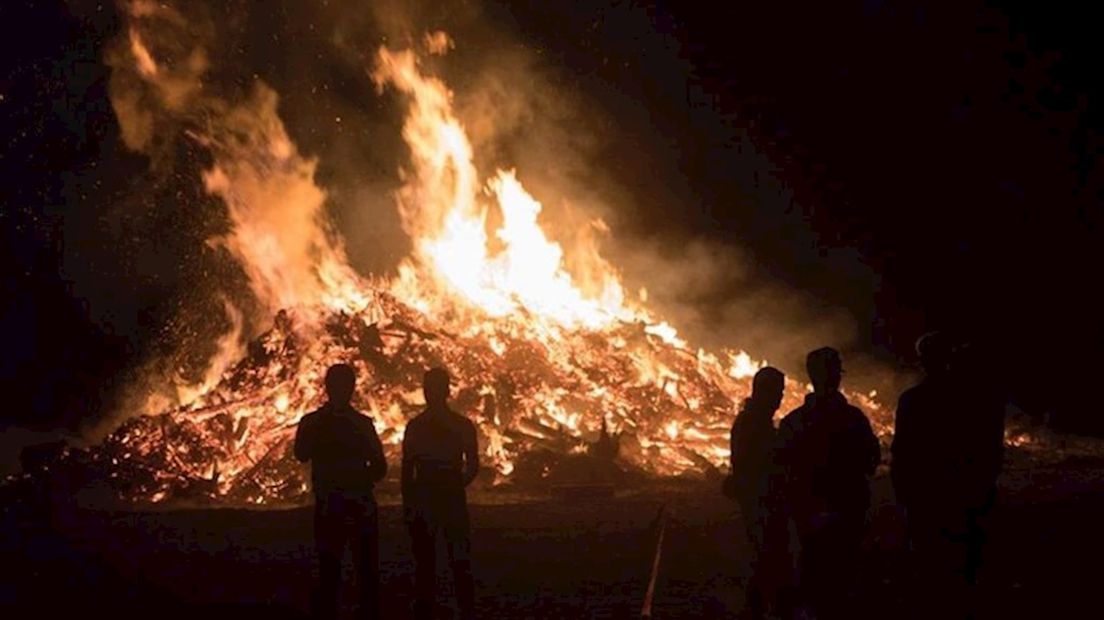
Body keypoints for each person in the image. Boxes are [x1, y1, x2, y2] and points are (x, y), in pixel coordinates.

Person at [894, 334, 1004, 617]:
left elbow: (903, 453)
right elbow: (990, 449)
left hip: (928, 499)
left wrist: (904, 495)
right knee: (963, 570)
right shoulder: (976, 400)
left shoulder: (913, 401)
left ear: (923, 362)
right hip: (964, 498)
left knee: (929, 570)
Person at [777, 347, 880, 619]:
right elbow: (872, 460)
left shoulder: (793, 421)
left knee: (811, 569)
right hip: (847, 507)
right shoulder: (854, 419)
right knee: (842, 575)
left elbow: (781, 466)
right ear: (836, 377)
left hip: (807, 510)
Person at [295, 363, 387, 620]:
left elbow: (301, 454)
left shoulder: (312, 422)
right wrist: (360, 480)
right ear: (352, 389)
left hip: (330, 504)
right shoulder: (362, 423)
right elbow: (380, 467)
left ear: (327, 388)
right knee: (365, 571)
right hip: (358, 504)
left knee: (329, 570)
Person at [403, 367, 480, 620]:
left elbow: (407, 471)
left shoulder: (416, 426)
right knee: (454, 558)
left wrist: (410, 502)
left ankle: (428, 608)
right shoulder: (460, 425)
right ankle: (462, 608)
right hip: (446, 495)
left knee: (428, 560)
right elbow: (473, 466)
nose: (429, 393)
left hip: (429, 494)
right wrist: (457, 485)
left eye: (431, 388)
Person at [728, 366, 789, 619]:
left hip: (759, 497)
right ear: (763, 392)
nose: (780, 398)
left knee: (767, 555)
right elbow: (755, 463)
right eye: (777, 392)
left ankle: (760, 606)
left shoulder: (755, 420)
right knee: (767, 555)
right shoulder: (752, 423)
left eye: (782, 392)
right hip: (759, 498)